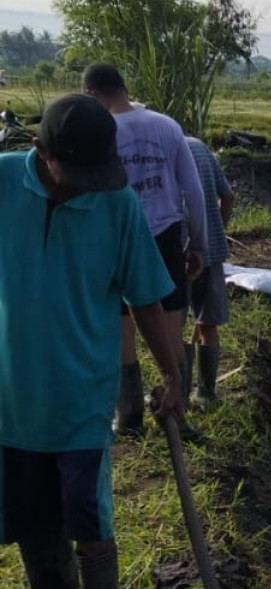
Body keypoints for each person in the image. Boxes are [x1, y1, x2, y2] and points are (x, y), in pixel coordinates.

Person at [0, 94, 183, 589]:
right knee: (30, 511)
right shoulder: (3, 183)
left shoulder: (117, 202)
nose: (89, 185)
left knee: (86, 509)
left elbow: (145, 297)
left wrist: (172, 374)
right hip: (13, 391)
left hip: (82, 392)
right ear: (41, 153)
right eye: (76, 172)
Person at [81, 64, 207, 436]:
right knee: (169, 326)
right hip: (164, 235)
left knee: (122, 328)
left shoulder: (101, 131)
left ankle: (129, 417)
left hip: (116, 236)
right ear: (124, 87)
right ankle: (178, 414)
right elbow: (194, 192)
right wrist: (197, 243)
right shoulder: (167, 126)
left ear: (92, 94)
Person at [184, 136, 234, 407]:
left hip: (179, 251)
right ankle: (206, 394)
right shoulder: (199, 147)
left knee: (172, 325)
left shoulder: (161, 151)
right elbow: (227, 196)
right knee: (208, 322)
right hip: (211, 250)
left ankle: (178, 394)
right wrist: (217, 230)